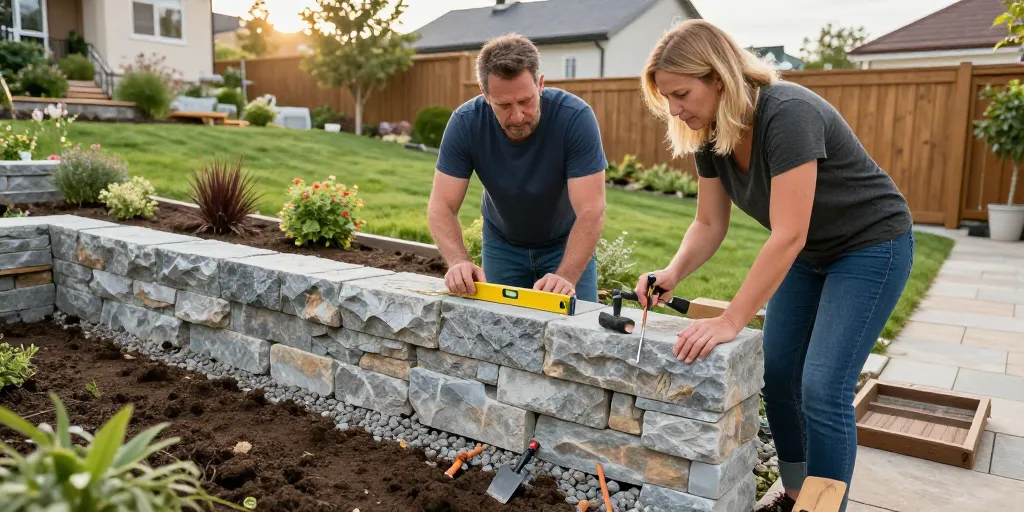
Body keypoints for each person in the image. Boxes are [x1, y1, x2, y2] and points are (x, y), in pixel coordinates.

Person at [633, 20, 914, 512]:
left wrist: (730, 319)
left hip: (872, 245)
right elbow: (708, 223)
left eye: (681, 94)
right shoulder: (710, 132)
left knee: (823, 388)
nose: (675, 109)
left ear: (718, 77)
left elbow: (788, 233)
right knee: (779, 373)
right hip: (811, 254)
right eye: (667, 99)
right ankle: (795, 494)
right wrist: (672, 272)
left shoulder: (788, 114)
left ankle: (825, 508)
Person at [426, 33, 608, 303]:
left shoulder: (575, 118)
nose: (517, 116)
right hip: (502, 246)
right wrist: (458, 261)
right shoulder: (465, 123)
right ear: (485, 94)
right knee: (498, 334)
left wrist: (567, 276)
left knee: (578, 335)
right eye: (504, 105)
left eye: (525, 101)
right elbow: (441, 205)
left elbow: (592, 210)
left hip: (565, 244)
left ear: (540, 84)